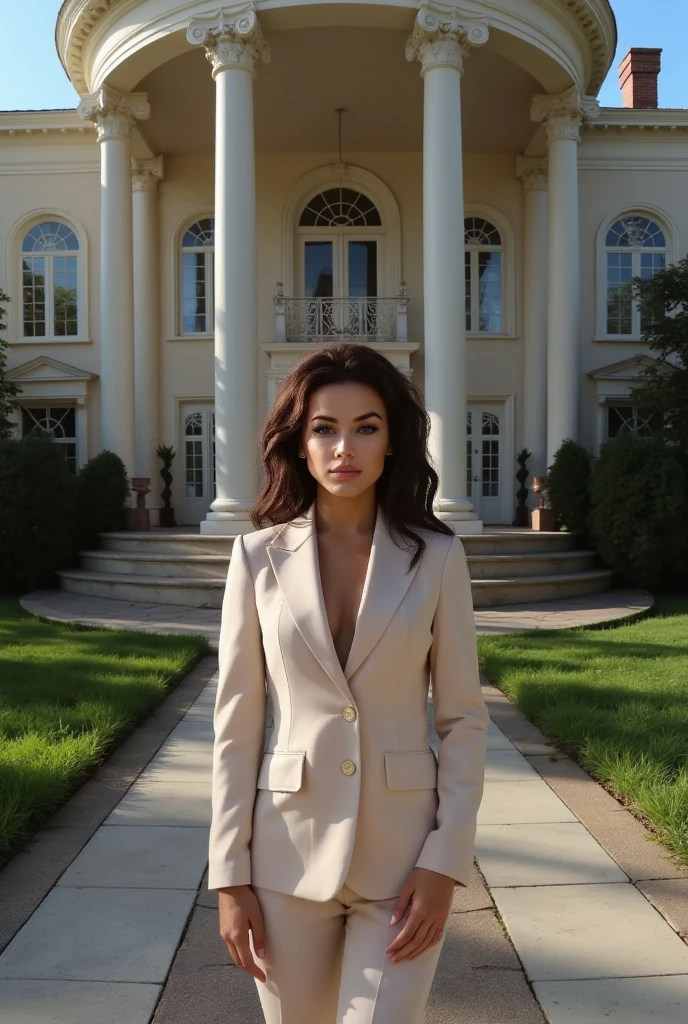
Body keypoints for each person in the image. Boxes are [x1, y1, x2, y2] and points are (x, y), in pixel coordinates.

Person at [208, 342, 489, 1024]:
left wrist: (445, 863)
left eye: (366, 426)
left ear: (392, 441)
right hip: (283, 857)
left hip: (403, 862)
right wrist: (229, 877)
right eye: (324, 428)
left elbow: (463, 721)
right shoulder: (255, 558)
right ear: (299, 443)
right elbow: (236, 726)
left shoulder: (438, 557)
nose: (344, 447)